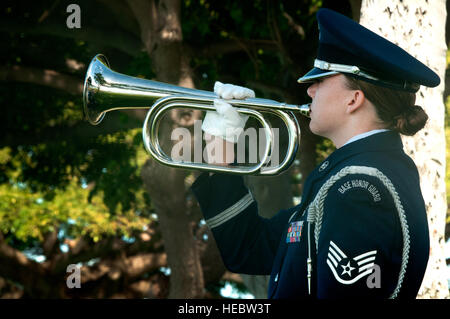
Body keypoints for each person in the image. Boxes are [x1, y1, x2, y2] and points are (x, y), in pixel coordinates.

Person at [191, 8, 440, 299]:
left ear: (354, 99)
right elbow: (249, 249)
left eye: (320, 80)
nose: (309, 91)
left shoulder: (359, 188)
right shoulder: (348, 177)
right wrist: (220, 143)